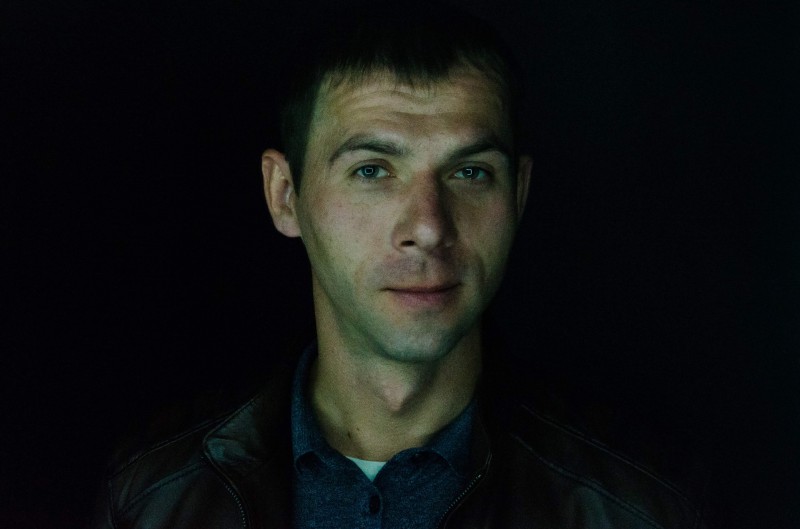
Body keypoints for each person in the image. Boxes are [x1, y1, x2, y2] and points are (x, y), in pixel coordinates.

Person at [92, 4, 708, 528]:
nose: (429, 227)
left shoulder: (639, 509)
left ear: (518, 196)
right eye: (372, 171)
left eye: (471, 172)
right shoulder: (151, 497)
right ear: (285, 195)